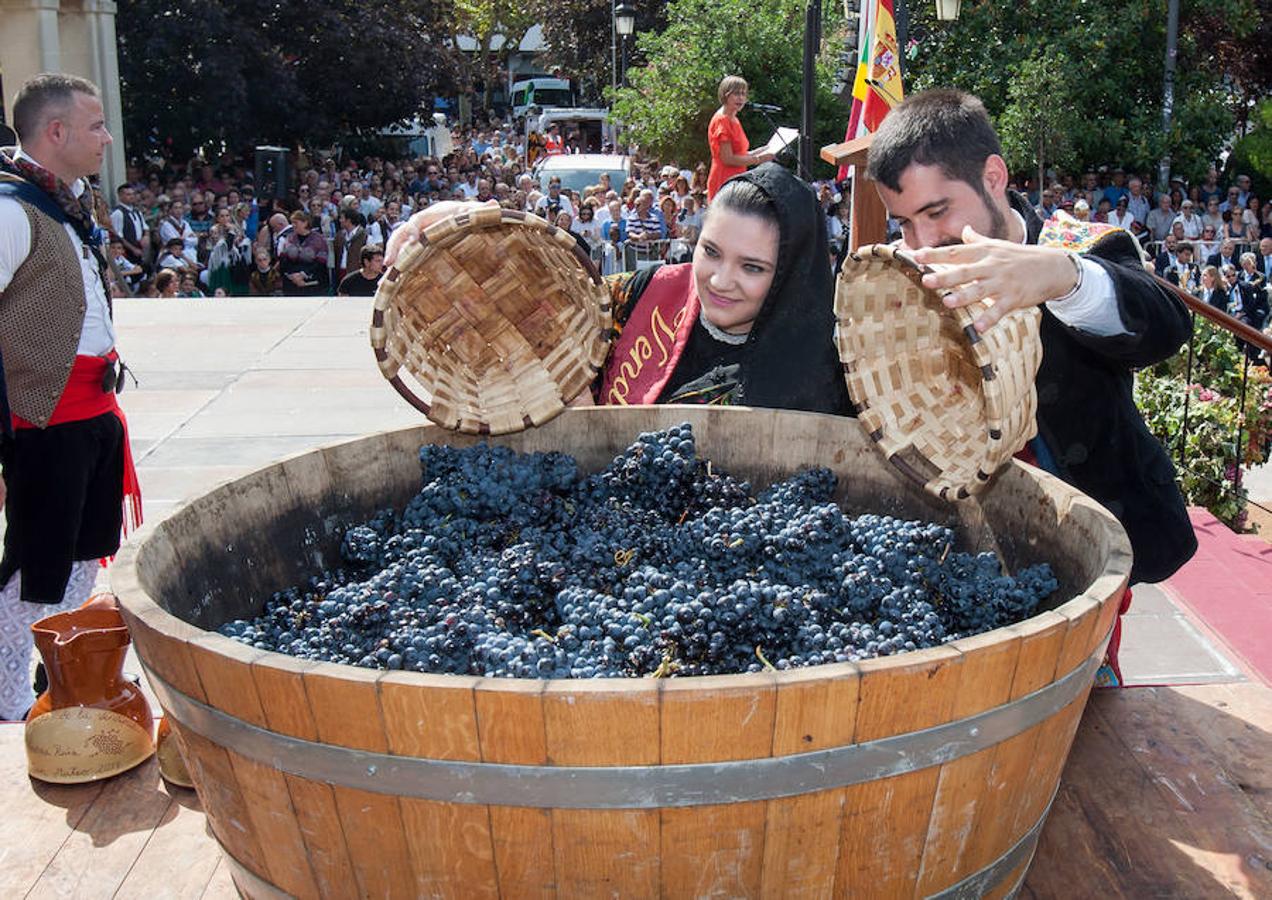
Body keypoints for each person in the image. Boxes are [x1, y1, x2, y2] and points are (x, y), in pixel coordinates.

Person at [865, 89, 1195, 687]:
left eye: (937, 211)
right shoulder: (906, 271)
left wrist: (1062, 279)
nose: (922, 240)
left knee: (1083, 706)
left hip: (1084, 543)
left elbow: (1164, 326)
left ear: (994, 176)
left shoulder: (1078, 248)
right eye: (905, 222)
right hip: (969, 540)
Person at [0, 73, 142, 720]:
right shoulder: (10, 211)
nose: (106, 138)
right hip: (43, 424)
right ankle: (4, 705)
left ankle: (54, 682)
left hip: (93, 415)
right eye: (95, 126)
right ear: (54, 132)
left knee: (84, 561)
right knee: (35, 573)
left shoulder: (68, 201)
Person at [706, 76, 774, 200]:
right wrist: (758, 159)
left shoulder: (734, 119)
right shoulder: (722, 120)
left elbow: (739, 153)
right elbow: (727, 158)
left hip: (736, 178)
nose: (741, 98)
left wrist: (759, 151)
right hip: (724, 180)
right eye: (736, 94)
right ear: (725, 95)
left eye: (743, 94)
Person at [277, 210, 328, 296]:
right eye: (292, 222)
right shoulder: (289, 238)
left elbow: (321, 262)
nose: (293, 225)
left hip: (312, 282)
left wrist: (302, 275)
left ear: (305, 223)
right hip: (291, 281)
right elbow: (283, 259)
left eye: (296, 222)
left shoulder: (319, 240)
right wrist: (293, 275)